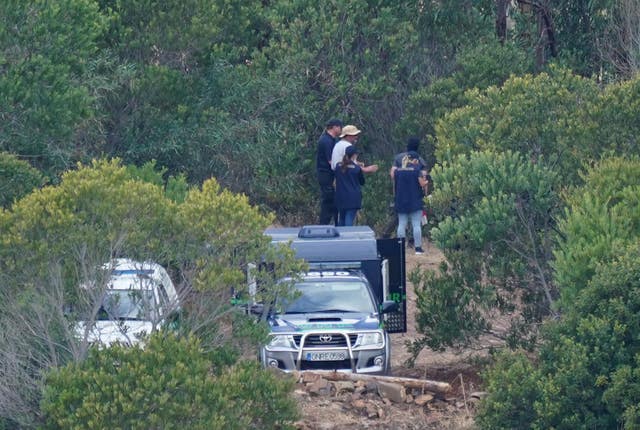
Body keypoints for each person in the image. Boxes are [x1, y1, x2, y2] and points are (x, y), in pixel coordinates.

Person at [392, 151, 428, 254]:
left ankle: (400, 248)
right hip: (415, 200)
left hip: (401, 200)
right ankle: (418, 248)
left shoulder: (398, 171)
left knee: (401, 224)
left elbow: (394, 184)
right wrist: (426, 182)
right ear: (415, 160)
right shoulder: (417, 171)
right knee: (416, 224)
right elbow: (421, 184)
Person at [316, 119, 343, 225]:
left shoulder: (331, 140)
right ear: (335, 127)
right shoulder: (326, 141)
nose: (340, 129)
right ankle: (323, 224)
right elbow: (330, 160)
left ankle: (333, 223)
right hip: (325, 174)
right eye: (340, 127)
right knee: (328, 200)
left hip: (328, 174)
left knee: (332, 200)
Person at [334, 145, 365, 226]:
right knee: (349, 218)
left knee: (341, 218)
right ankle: (348, 236)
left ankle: (340, 237)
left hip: (340, 197)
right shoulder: (356, 168)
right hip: (353, 198)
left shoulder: (338, 166)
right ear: (354, 155)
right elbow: (362, 182)